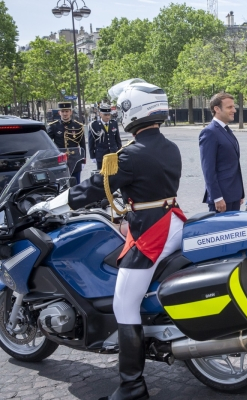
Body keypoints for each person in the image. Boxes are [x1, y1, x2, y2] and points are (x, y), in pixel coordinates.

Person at [33, 79, 183, 400]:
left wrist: (49, 204)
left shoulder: (130, 155)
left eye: (120, 109)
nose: (117, 115)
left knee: (123, 304)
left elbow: (91, 189)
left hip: (150, 233)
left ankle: (132, 387)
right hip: (173, 223)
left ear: (132, 111)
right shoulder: (169, 146)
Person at [199, 92, 244, 212]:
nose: (234, 110)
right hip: (222, 199)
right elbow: (208, 169)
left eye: (234, 107)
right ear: (217, 109)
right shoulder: (210, 132)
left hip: (233, 195)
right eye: (229, 107)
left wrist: (239, 193)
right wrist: (217, 197)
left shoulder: (226, 130)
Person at [47, 102, 86, 183]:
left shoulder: (77, 126)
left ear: (71, 112)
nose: (65, 114)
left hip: (75, 160)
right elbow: (48, 143)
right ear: (59, 113)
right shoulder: (54, 126)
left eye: (67, 111)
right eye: (63, 111)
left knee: (76, 184)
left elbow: (82, 145)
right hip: (60, 160)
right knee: (61, 185)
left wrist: (83, 160)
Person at [88, 103, 122, 171]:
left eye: (109, 114)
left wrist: (120, 152)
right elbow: (91, 142)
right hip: (101, 156)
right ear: (100, 114)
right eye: (105, 115)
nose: (108, 117)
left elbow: (118, 139)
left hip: (113, 154)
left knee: (114, 176)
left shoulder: (114, 123)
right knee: (102, 177)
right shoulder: (94, 125)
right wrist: (92, 156)